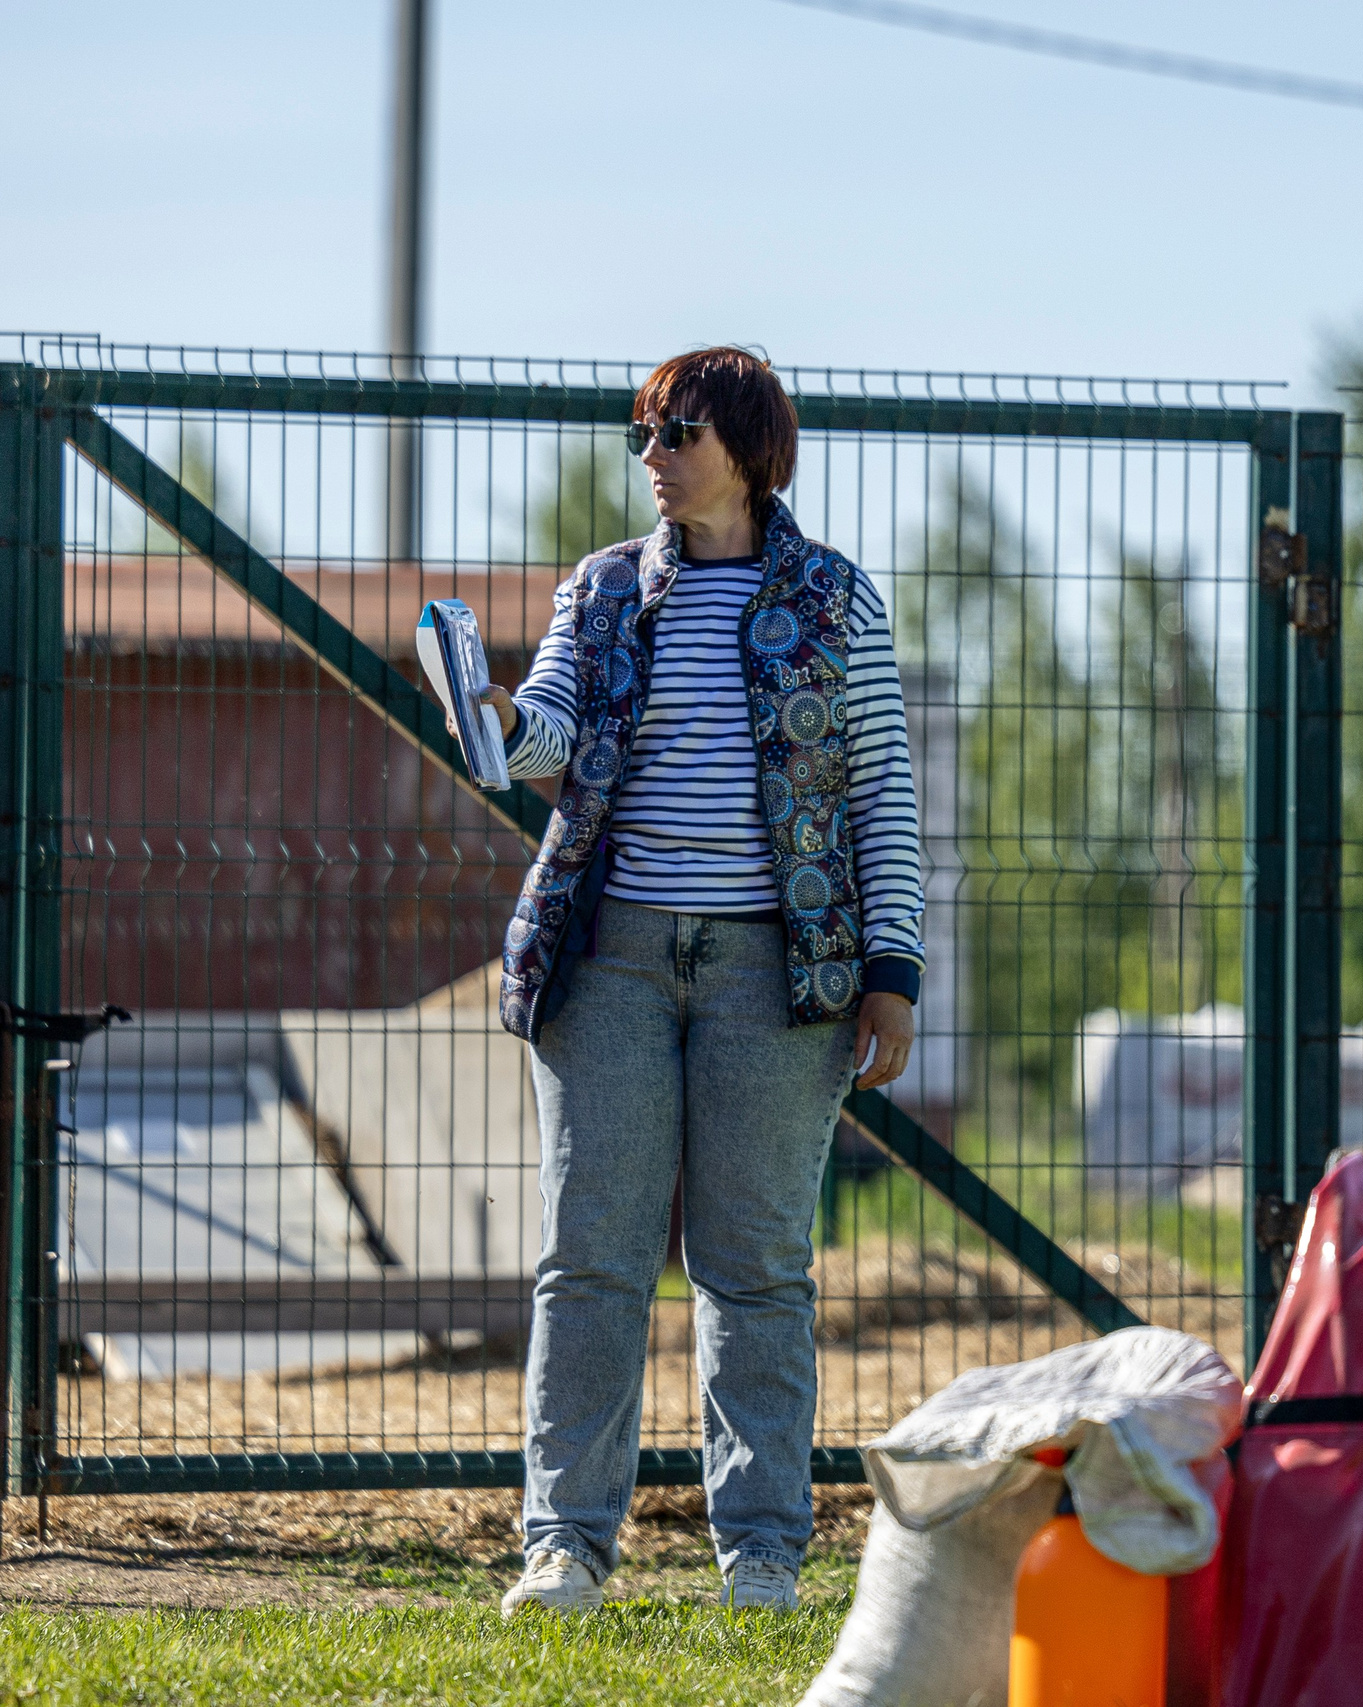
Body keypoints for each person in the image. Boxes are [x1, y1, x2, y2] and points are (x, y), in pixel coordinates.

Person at [478, 346, 924, 1615]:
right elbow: (552, 728)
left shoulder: (837, 598)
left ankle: (767, 1559)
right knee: (591, 1259)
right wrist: (501, 720)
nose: (654, 458)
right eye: (647, 437)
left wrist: (890, 968)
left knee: (759, 1268)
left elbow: (883, 794)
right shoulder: (606, 588)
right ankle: (563, 1546)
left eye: (675, 433)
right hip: (607, 960)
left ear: (743, 443)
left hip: (780, 979)